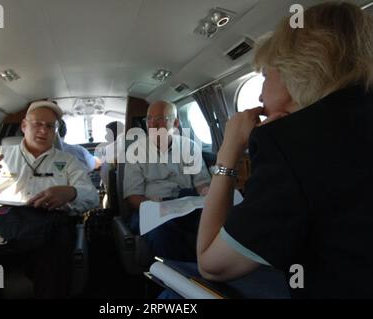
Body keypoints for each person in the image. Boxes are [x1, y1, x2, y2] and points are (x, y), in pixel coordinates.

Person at [197, 2, 373, 298]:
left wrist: (228, 153)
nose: (261, 94)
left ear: (295, 71)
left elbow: (211, 265)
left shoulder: (288, 143)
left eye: (265, 77)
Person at [0, 100, 99, 297]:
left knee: (52, 262)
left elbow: (92, 196)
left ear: (55, 131)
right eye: (37, 124)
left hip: (47, 230)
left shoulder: (69, 162)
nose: (43, 130)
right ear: (24, 126)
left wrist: (71, 193)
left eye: (50, 126)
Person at [124, 101, 210, 261]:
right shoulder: (135, 151)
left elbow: (202, 185)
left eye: (160, 119)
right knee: (160, 230)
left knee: (214, 218)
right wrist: (156, 206)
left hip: (186, 204)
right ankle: (185, 276)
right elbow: (133, 197)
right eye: (149, 119)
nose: (153, 124)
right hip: (151, 206)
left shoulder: (190, 147)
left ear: (175, 123)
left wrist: (207, 193)